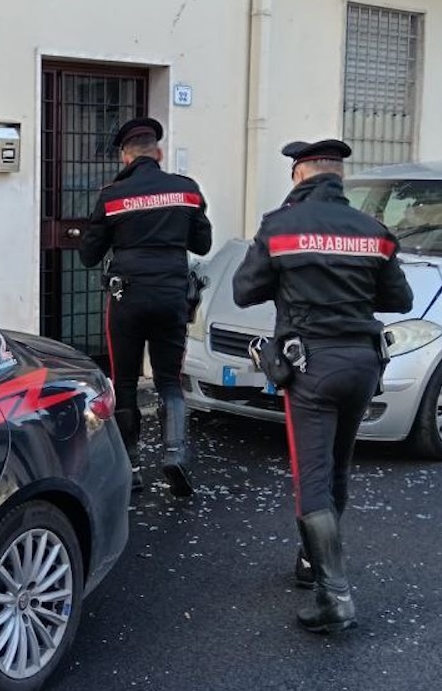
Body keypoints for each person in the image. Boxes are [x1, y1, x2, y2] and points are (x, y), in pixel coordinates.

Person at [231, 138, 413, 634]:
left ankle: (334, 597)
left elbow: (244, 290)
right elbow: (399, 297)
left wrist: (293, 279)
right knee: (337, 466)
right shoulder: (372, 229)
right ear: (338, 177)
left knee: (310, 475)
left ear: (299, 175)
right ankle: (313, 562)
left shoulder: (281, 225)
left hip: (311, 364)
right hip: (362, 364)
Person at [79, 117, 212, 496]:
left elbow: (89, 255)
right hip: (172, 295)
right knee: (169, 380)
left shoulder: (112, 195)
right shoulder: (186, 191)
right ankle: (174, 455)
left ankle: (131, 467)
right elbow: (202, 245)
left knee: (124, 381)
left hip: (128, 298)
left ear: (125, 156)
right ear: (158, 152)